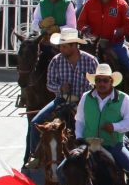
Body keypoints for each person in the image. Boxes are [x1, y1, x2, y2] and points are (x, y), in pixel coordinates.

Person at [23, 27, 97, 169]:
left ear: (74, 46)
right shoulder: (56, 61)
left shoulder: (91, 61)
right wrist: (60, 88)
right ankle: (34, 155)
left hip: (85, 102)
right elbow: (49, 84)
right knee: (35, 122)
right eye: (60, 46)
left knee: (94, 124)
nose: (61, 49)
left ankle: (95, 153)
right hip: (61, 100)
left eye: (64, 46)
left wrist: (81, 98)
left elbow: (96, 84)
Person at [73, 63, 129, 176]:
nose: (101, 83)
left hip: (114, 145)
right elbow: (79, 120)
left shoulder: (123, 99)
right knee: (62, 170)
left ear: (111, 81)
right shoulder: (86, 97)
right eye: (98, 80)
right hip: (87, 146)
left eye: (105, 80)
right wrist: (79, 138)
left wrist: (115, 126)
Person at [76, 0, 129, 76]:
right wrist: (85, 29)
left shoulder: (121, 3)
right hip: (93, 44)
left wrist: (120, 31)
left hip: (116, 44)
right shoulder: (90, 3)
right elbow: (80, 22)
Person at [31, 0, 76, 67]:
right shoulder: (42, 4)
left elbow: (72, 26)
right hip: (45, 41)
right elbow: (33, 25)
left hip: (63, 41)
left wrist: (58, 28)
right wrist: (41, 24)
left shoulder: (67, 3)